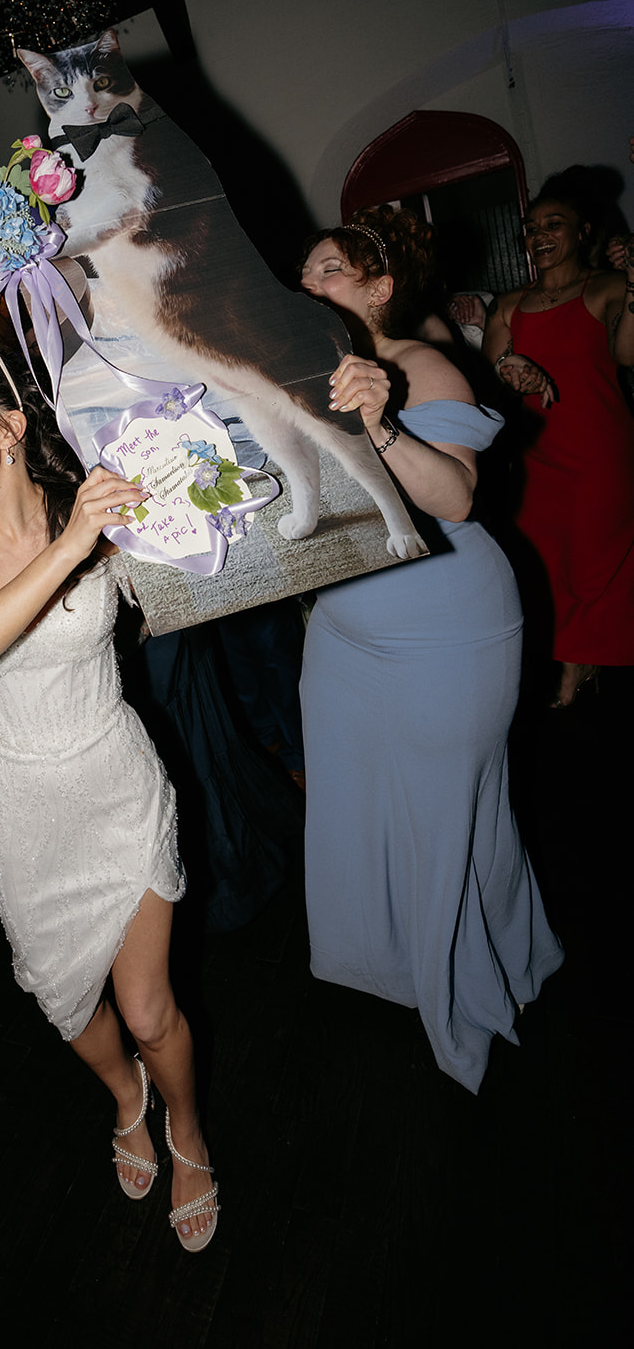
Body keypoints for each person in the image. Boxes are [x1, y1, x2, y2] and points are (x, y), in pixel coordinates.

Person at [0, 346, 218, 1251]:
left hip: (117, 778)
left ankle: (186, 1131)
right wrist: (77, 543)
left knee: (150, 1010)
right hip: (19, 805)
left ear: (9, 427)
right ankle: (127, 1097)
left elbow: (182, 571)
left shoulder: (92, 498)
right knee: (67, 1005)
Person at [298, 207, 564, 1095]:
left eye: (327, 270)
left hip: (445, 632)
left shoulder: (419, 367)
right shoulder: (288, 378)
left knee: (449, 818)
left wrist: (381, 424)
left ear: (378, 288)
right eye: (301, 275)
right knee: (364, 815)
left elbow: (452, 498)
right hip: (342, 633)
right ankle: (405, 965)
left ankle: (468, 992)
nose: (308, 286)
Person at [481, 184, 634, 706]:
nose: (539, 236)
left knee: (595, 561)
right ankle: (573, 662)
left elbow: (629, 352)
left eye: (554, 225)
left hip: (599, 453)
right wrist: (509, 367)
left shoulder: (609, 287)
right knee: (546, 560)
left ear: (582, 231)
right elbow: (489, 380)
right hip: (536, 458)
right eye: (531, 227)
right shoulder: (508, 306)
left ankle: (581, 660)